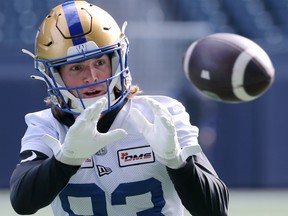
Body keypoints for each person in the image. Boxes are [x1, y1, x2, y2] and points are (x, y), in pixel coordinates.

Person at [9, 1, 229, 215]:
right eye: (76, 67)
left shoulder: (162, 114)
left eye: (100, 63)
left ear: (118, 61)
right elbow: (23, 203)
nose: (92, 77)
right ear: (54, 77)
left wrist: (177, 163)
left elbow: (215, 209)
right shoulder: (47, 125)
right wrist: (66, 161)